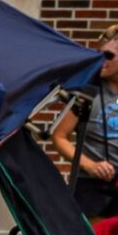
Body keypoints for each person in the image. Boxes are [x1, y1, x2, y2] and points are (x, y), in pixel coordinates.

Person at [49, 26, 118, 221]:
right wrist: (90, 165)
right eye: (99, 54)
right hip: (90, 186)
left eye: (109, 56)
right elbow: (59, 136)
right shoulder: (88, 92)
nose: (102, 61)